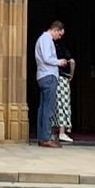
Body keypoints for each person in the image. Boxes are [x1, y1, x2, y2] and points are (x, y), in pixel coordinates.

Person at [33, 18, 64, 147]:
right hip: (48, 75)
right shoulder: (46, 39)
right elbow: (46, 58)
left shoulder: (43, 39)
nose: (60, 37)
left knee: (43, 108)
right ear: (55, 30)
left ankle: (42, 137)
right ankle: (45, 138)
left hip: (42, 76)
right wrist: (59, 62)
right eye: (60, 34)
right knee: (48, 108)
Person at [52, 34, 76, 145]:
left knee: (54, 105)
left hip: (53, 77)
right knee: (63, 105)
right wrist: (71, 75)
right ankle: (62, 132)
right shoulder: (63, 49)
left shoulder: (51, 47)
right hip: (63, 78)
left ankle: (53, 132)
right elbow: (72, 62)